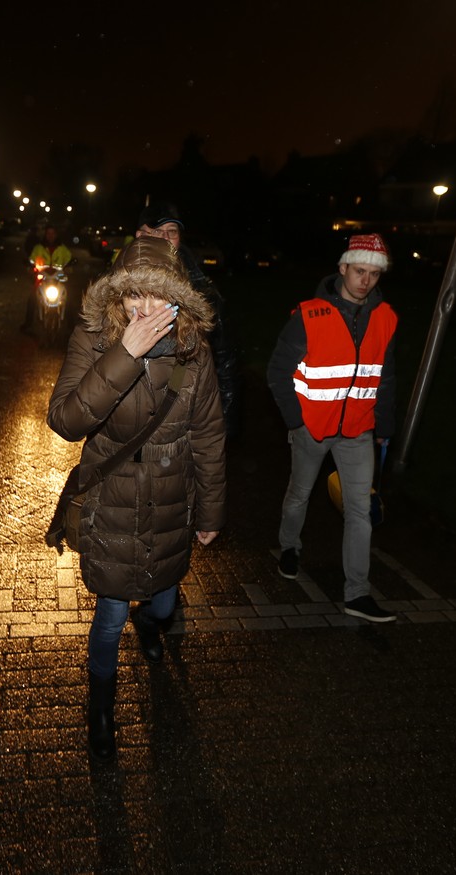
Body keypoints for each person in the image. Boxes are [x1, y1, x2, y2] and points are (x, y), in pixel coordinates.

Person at [47, 237, 226, 764]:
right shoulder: (94, 339)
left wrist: (212, 511)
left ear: (177, 299)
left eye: (157, 295)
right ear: (117, 298)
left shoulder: (193, 351)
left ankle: (151, 622)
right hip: (114, 497)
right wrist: (125, 355)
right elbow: (66, 420)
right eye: (133, 296)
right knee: (109, 614)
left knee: (164, 600)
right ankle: (101, 710)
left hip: (171, 498)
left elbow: (208, 435)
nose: (144, 309)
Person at [266, 233, 399, 623]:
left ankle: (357, 593)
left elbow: (386, 377)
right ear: (342, 268)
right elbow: (277, 371)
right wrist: (297, 421)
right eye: (359, 271)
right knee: (300, 493)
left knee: (360, 511)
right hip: (312, 428)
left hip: (358, 430)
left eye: (374, 274)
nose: (365, 281)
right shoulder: (309, 315)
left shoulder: (386, 318)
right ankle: (289, 547)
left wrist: (384, 426)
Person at [133, 200, 241, 440]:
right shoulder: (115, 286)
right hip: (127, 420)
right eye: (157, 231)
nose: (165, 238)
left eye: (171, 232)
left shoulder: (203, 293)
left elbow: (224, 359)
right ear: (140, 236)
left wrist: (225, 425)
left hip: (183, 423)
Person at [23, 225, 74, 332]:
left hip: (57, 279)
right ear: (45, 235)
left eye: (53, 233)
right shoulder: (38, 248)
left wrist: (69, 268)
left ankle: (71, 326)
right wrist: (31, 268)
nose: (51, 236)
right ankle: (28, 324)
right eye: (48, 233)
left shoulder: (62, 249)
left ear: (56, 235)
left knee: (68, 298)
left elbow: (70, 260)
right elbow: (31, 261)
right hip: (42, 279)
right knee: (32, 298)